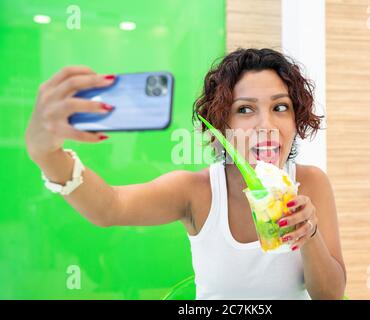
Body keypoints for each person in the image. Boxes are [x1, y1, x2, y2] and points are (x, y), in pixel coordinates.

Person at [25, 48, 346, 300]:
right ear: (223, 123)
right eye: (245, 109)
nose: (267, 125)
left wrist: (310, 233)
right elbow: (109, 207)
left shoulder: (312, 183)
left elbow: (330, 295)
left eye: (280, 107)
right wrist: (46, 153)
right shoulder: (197, 191)